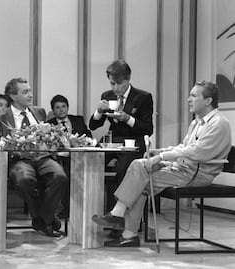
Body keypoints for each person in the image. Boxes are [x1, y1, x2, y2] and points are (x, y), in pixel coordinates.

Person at [92, 80, 232, 247]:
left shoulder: (218, 124)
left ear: (208, 100)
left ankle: (123, 224)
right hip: (183, 167)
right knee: (139, 165)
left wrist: (161, 157)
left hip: (198, 173)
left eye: (194, 95)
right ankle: (123, 224)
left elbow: (196, 152)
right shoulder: (197, 121)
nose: (188, 99)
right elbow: (185, 147)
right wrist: (159, 152)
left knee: (141, 179)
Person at [0, 77, 68, 237]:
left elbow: (48, 134)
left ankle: (42, 220)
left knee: (60, 176)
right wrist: (15, 143)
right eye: (25, 92)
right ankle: (46, 219)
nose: (30, 94)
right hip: (19, 159)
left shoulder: (39, 111)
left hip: (42, 157)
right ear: (13, 96)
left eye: (30, 90)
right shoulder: (0, 117)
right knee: (24, 180)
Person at [89, 60, 154, 211]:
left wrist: (128, 119)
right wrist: (98, 111)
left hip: (133, 142)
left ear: (128, 79)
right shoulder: (107, 95)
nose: (115, 88)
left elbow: (148, 129)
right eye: (112, 84)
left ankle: (117, 217)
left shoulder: (143, 97)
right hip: (112, 139)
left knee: (123, 170)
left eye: (119, 84)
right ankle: (91, 211)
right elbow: (93, 126)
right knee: (90, 161)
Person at [47, 94, 92, 218]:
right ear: (53, 110)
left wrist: (84, 140)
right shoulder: (49, 125)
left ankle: (86, 207)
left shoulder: (78, 120)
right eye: (57, 107)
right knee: (66, 171)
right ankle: (68, 208)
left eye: (63, 106)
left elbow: (88, 135)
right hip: (61, 157)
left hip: (80, 156)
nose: (61, 110)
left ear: (67, 107)